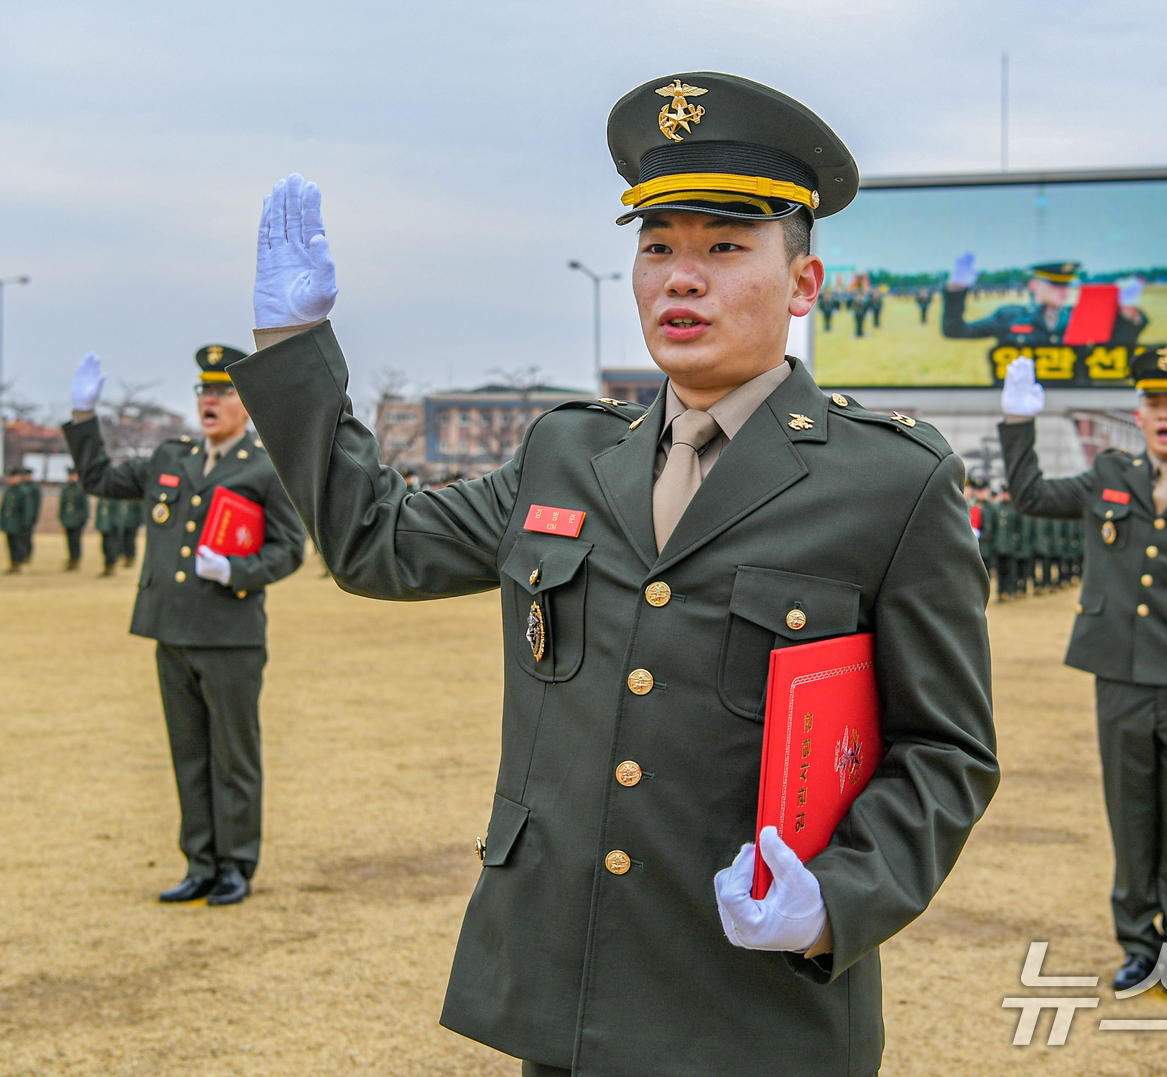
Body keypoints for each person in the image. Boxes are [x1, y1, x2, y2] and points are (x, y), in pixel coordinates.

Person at [226, 72, 998, 1077]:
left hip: (753, 1005)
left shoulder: (890, 483)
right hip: (569, 994)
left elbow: (946, 749)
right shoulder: (567, 455)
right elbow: (378, 543)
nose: (682, 278)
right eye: (658, 248)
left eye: (724, 248)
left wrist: (839, 896)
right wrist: (294, 352)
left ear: (802, 285)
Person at [998, 347, 1167, 993]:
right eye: (1155, 403)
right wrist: (1018, 424)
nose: (1165, 415)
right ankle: (1135, 943)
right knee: (1129, 814)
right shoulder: (1108, 476)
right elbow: (1031, 495)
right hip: (1119, 674)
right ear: (1139, 412)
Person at [63, 346, 306, 907]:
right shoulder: (170, 456)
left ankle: (236, 866)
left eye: (222, 391)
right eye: (203, 391)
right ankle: (199, 862)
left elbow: (289, 550)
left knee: (234, 756)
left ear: (245, 404)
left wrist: (236, 570)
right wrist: (83, 418)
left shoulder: (265, 468)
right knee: (188, 752)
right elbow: (99, 478)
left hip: (230, 634)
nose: (210, 401)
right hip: (171, 630)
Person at [942, 259, 1150, 384]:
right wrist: (956, 290)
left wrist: (1127, 312)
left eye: (1067, 285)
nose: (1063, 290)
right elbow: (956, 330)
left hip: (1072, 399)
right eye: (1054, 285)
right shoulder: (1010, 316)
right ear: (1034, 286)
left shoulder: (1082, 316)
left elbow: (1118, 348)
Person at [2, 466, 42, 572]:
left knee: (19, 543)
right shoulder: (9, 491)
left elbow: (27, 509)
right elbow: (4, 508)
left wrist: (25, 523)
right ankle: (13, 563)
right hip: (9, 523)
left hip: (18, 523)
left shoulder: (24, 491)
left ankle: (19, 563)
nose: (11, 479)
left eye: (14, 477)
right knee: (10, 544)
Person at [991, 487, 1023, 602]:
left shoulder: (1015, 508)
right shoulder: (997, 508)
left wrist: (1017, 543)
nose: (1005, 496)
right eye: (1003, 493)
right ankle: (1001, 592)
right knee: (1000, 571)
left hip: (1011, 545)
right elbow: (994, 527)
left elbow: (1020, 528)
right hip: (999, 545)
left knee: (1011, 570)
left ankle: (1010, 591)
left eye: (1007, 493)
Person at [59, 466, 90, 570]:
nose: (71, 477)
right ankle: (71, 558)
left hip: (77, 520)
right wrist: (62, 518)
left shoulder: (80, 489)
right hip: (68, 520)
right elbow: (62, 505)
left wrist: (82, 519)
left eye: (73, 475)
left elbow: (84, 507)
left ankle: (76, 559)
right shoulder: (66, 488)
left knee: (76, 541)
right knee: (69, 541)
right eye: (70, 475)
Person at [94, 497, 129, 576]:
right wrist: (98, 524)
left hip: (112, 527)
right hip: (104, 526)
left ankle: (111, 566)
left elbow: (119, 512)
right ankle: (107, 565)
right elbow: (99, 511)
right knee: (105, 547)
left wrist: (116, 525)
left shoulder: (116, 497)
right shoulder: (102, 497)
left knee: (111, 547)